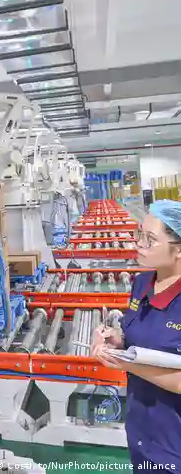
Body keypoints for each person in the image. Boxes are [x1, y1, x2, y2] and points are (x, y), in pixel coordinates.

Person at [92, 200, 181, 473]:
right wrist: (118, 341)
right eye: (139, 234)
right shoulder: (142, 283)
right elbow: (142, 337)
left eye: (150, 239)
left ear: (178, 249)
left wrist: (127, 364)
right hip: (141, 429)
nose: (139, 244)